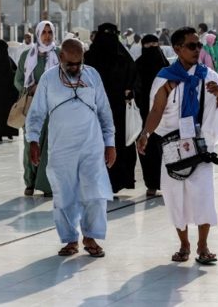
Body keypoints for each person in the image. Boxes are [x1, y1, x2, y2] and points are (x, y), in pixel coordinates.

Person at [137, 27, 218, 265]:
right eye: (192, 46)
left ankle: (203, 246)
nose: (197, 50)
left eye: (198, 45)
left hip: (199, 143)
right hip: (172, 144)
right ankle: (184, 244)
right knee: (174, 196)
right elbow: (157, 110)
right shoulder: (166, 77)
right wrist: (145, 133)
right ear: (178, 49)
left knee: (203, 195)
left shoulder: (207, 75)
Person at [25, 38, 116, 258]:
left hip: (91, 145)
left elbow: (104, 110)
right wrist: (33, 141)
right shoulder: (48, 79)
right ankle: (70, 239)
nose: (75, 68)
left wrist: (110, 143)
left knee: (95, 192)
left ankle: (91, 237)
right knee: (64, 194)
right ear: (61, 57)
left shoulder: (92, 75)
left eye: (79, 63)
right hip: (61, 147)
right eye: (70, 64)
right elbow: (36, 113)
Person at [84, 22, 137, 194]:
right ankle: (113, 182)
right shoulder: (122, 57)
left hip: (100, 111)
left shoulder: (90, 57)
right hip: (110, 111)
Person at [15, 21, 60, 196]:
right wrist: (29, 88)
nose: (47, 36)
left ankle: (47, 183)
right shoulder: (28, 55)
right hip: (32, 106)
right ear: (38, 34)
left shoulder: (58, 54)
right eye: (44, 32)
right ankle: (30, 181)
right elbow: (18, 79)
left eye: (50, 32)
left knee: (50, 145)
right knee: (31, 144)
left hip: (53, 107)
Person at [134, 33, 170, 196]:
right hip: (151, 114)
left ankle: (155, 184)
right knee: (151, 147)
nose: (152, 50)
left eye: (154, 46)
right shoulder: (164, 65)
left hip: (156, 113)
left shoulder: (140, 65)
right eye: (149, 46)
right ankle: (157, 183)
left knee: (157, 149)